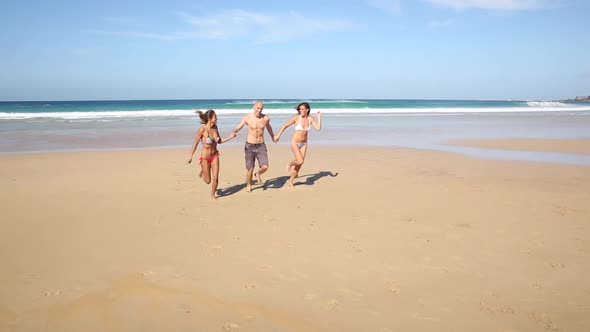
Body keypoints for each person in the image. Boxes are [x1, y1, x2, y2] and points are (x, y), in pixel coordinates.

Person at [187, 109, 236, 199]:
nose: (216, 118)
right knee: (208, 181)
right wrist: (191, 155)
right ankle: (203, 169)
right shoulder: (202, 129)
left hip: (214, 156)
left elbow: (219, 141)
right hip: (205, 158)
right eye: (215, 117)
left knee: (216, 177)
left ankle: (212, 195)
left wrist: (230, 137)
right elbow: (195, 143)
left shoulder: (215, 127)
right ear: (210, 118)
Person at [274, 102, 322, 187]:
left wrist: (319, 117)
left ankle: (291, 181)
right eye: (300, 109)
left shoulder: (310, 119)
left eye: (303, 109)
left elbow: (318, 128)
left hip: (304, 144)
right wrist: (278, 135)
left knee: (300, 164)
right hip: (295, 142)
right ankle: (290, 164)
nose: (301, 111)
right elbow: (285, 126)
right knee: (300, 160)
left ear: (307, 110)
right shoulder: (296, 118)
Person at [232, 101, 276, 192]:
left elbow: (269, 127)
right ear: (254, 107)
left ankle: (258, 174)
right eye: (257, 108)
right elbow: (239, 126)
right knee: (250, 168)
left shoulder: (266, 118)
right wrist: (235, 130)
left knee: (265, 166)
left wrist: (273, 136)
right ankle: (249, 185)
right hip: (250, 146)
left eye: (261, 109)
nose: (259, 110)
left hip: (261, 145)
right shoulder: (248, 118)